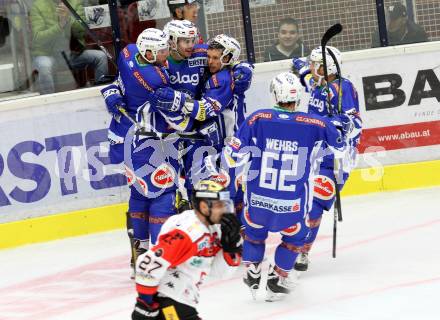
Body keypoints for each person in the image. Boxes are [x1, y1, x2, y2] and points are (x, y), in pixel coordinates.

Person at [217, 72, 351, 301]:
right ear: (298, 97)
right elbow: (340, 148)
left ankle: (253, 269)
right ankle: (278, 277)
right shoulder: (316, 122)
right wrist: (339, 124)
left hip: (258, 202)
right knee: (296, 239)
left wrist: (229, 174)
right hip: (291, 206)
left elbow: (232, 155)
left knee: (254, 234)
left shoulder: (258, 118)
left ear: (274, 95)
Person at [291, 46, 362, 271]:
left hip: (337, 157)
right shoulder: (320, 83)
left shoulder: (342, 88)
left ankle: (302, 252)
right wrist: (301, 69)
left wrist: (336, 124)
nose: (311, 68)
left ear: (327, 67)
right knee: (301, 199)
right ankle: (296, 242)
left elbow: (355, 124)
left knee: (316, 203)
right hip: (314, 154)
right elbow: (308, 80)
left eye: (314, 64)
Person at [131, 180, 242, 320]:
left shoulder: (215, 227)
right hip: (168, 300)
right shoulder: (188, 233)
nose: (225, 210)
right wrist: (145, 305)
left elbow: (219, 273)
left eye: (225, 205)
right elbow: (148, 263)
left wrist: (230, 248)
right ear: (204, 207)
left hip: (182, 300)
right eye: (219, 205)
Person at [30, 0, 109, 94]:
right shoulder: (38, 5)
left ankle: (103, 95)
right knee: (44, 66)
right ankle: (49, 103)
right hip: (47, 54)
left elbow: (82, 30)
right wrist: (60, 26)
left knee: (101, 57)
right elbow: (38, 38)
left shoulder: (75, 2)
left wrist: (68, 18)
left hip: (72, 54)